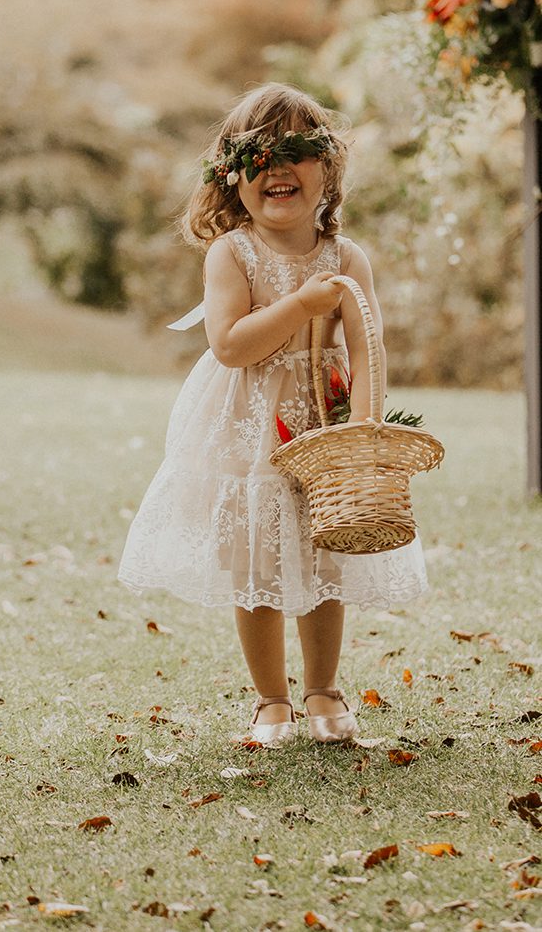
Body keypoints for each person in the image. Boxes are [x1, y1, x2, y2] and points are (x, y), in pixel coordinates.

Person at [118, 83, 426, 746]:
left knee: (325, 556)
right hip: (246, 424)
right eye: (259, 154)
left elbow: (367, 347)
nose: (278, 167)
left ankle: (324, 689)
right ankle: (270, 699)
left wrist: (362, 433)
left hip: (322, 422)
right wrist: (299, 307)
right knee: (255, 559)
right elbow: (230, 345)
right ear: (231, 176)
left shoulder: (347, 257)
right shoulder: (234, 252)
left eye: (297, 151)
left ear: (329, 169)